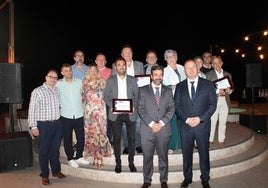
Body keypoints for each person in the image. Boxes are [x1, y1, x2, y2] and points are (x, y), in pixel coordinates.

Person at [174, 60, 217, 188]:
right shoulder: (180, 86)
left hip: (202, 125)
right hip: (185, 125)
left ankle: (205, 178)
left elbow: (212, 105)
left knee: (204, 152)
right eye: (188, 68)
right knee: (186, 153)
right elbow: (176, 106)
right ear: (184, 71)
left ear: (197, 69)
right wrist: (187, 119)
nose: (191, 70)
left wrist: (200, 118)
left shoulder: (208, 84)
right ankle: (187, 178)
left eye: (193, 67)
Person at [137, 65, 174, 188]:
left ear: (162, 76)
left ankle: (164, 180)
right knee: (147, 157)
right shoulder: (143, 90)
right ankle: (147, 180)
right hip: (147, 130)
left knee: (163, 156)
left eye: (160, 74)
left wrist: (161, 123)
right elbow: (140, 109)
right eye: (156, 75)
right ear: (151, 76)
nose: (158, 77)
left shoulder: (168, 91)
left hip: (164, 129)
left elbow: (171, 108)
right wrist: (152, 124)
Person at [28, 69, 66, 185]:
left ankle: (56, 171)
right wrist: (33, 126)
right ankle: (45, 175)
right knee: (44, 151)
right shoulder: (38, 91)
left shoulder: (57, 90)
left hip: (57, 124)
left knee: (55, 150)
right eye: (51, 77)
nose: (53, 79)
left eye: (55, 78)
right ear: (46, 78)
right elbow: (32, 110)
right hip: (43, 125)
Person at [104, 57, 139, 173]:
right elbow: (106, 97)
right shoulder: (110, 80)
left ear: (125, 66)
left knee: (132, 139)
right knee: (117, 139)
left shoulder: (133, 80)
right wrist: (113, 106)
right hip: (116, 114)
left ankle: (131, 162)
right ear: (115, 67)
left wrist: (133, 106)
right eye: (119, 65)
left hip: (130, 113)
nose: (121, 67)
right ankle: (118, 163)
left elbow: (137, 96)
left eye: (123, 64)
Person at [56, 63, 89, 168]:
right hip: (65, 115)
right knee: (67, 139)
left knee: (81, 137)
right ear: (62, 73)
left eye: (69, 70)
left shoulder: (79, 82)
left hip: (79, 114)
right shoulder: (58, 84)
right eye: (65, 71)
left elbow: (86, 93)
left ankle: (79, 156)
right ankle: (70, 158)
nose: (68, 72)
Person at [112, 44, 144, 154]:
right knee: (125, 125)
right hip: (123, 102)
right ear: (122, 54)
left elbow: (143, 83)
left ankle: (138, 144)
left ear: (132, 53)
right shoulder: (115, 66)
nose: (127, 54)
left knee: (138, 123)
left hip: (137, 99)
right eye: (125, 52)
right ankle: (126, 145)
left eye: (129, 52)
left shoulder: (139, 65)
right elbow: (113, 83)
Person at [82, 64, 112, 169]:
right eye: (91, 70)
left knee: (101, 133)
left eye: (95, 70)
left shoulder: (103, 82)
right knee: (91, 134)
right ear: (88, 72)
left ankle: (100, 155)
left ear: (97, 71)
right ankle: (95, 155)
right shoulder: (84, 83)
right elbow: (82, 98)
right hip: (88, 112)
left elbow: (109, 95)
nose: (93, 72)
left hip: (100, 112)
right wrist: (85, 110)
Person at [206, 56, 234, 149]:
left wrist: (229, 90)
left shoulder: (228, 74)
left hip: (225, 101)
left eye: (218, 63)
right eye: (214, 63)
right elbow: (208, 89)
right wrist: (218, 91)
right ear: (212, 65)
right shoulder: (209, 75)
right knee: (212, 121)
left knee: (223, 122)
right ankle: (210, 140)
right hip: (214, 101)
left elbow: (231, 88)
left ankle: (221, 140)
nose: (216, 65)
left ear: (221, 63)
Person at [162, 49, 186, 154]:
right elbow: (161, 86)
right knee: (171, 123)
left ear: (176, 58)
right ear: (165, 59)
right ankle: (171, 146)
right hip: (171, 100)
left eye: (173, 56)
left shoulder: (182, 68)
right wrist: (173, 86)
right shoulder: (164, 71)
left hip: (184, 99)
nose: (171, 59)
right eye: (168, 57)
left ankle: (181, 145)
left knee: (183, 123)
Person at [95, 52, 113, 145]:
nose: (101, 61)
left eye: (103, 60)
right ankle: (97, 141)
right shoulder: (91, 72)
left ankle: (108, 141)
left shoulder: (111, 71)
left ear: (105, 62)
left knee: (107, 122)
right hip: (94, 103)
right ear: (96, 61)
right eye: (99, 59)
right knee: (97, 123)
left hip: (107, 101)